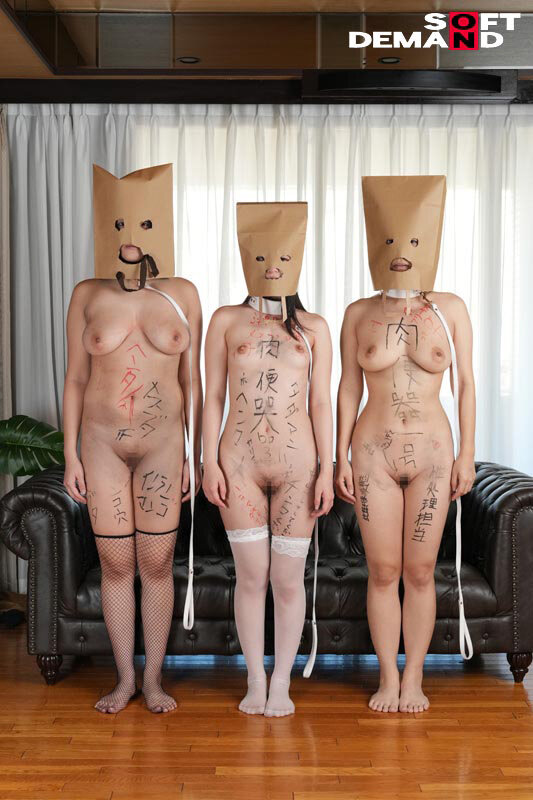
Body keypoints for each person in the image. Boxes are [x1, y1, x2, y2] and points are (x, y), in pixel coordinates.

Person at [63, 164, 202, 714]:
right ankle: (125, 679)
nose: (129, 235)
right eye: (118, 222)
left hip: (163, 447)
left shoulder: (182, 294)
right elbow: (75, 379)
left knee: (157, 562)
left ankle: (154, 680)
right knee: (116, 564)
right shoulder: (86, 294)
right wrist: (69, 453)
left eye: (141, 223)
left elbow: (193, 382)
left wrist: (194, 454)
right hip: (101, 445)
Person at [335, 176, 476, 714]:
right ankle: (387, 677)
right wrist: (339, 456)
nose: (401, 252)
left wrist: (467, 453)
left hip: (434, 456)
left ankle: (414, 676)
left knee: (420, 571)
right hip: (372, 453)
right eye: (391, 240)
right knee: (383, 571)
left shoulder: (450, 309)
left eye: (413, 241)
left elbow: (466, 384)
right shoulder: (358, 312)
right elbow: (347, 388)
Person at [202, 201, 334, 717]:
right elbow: (213, 397)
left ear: (297, 260)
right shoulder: (225, 320)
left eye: (283, 257)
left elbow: (320, 403)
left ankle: (282, 682)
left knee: (286, 579)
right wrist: (208, 462)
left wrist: (328, 469)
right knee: (252, 574)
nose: (273, 266)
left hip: (299, 466)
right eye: (262, 256)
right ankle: (255, 679)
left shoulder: (314, 328)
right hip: (238, 462)